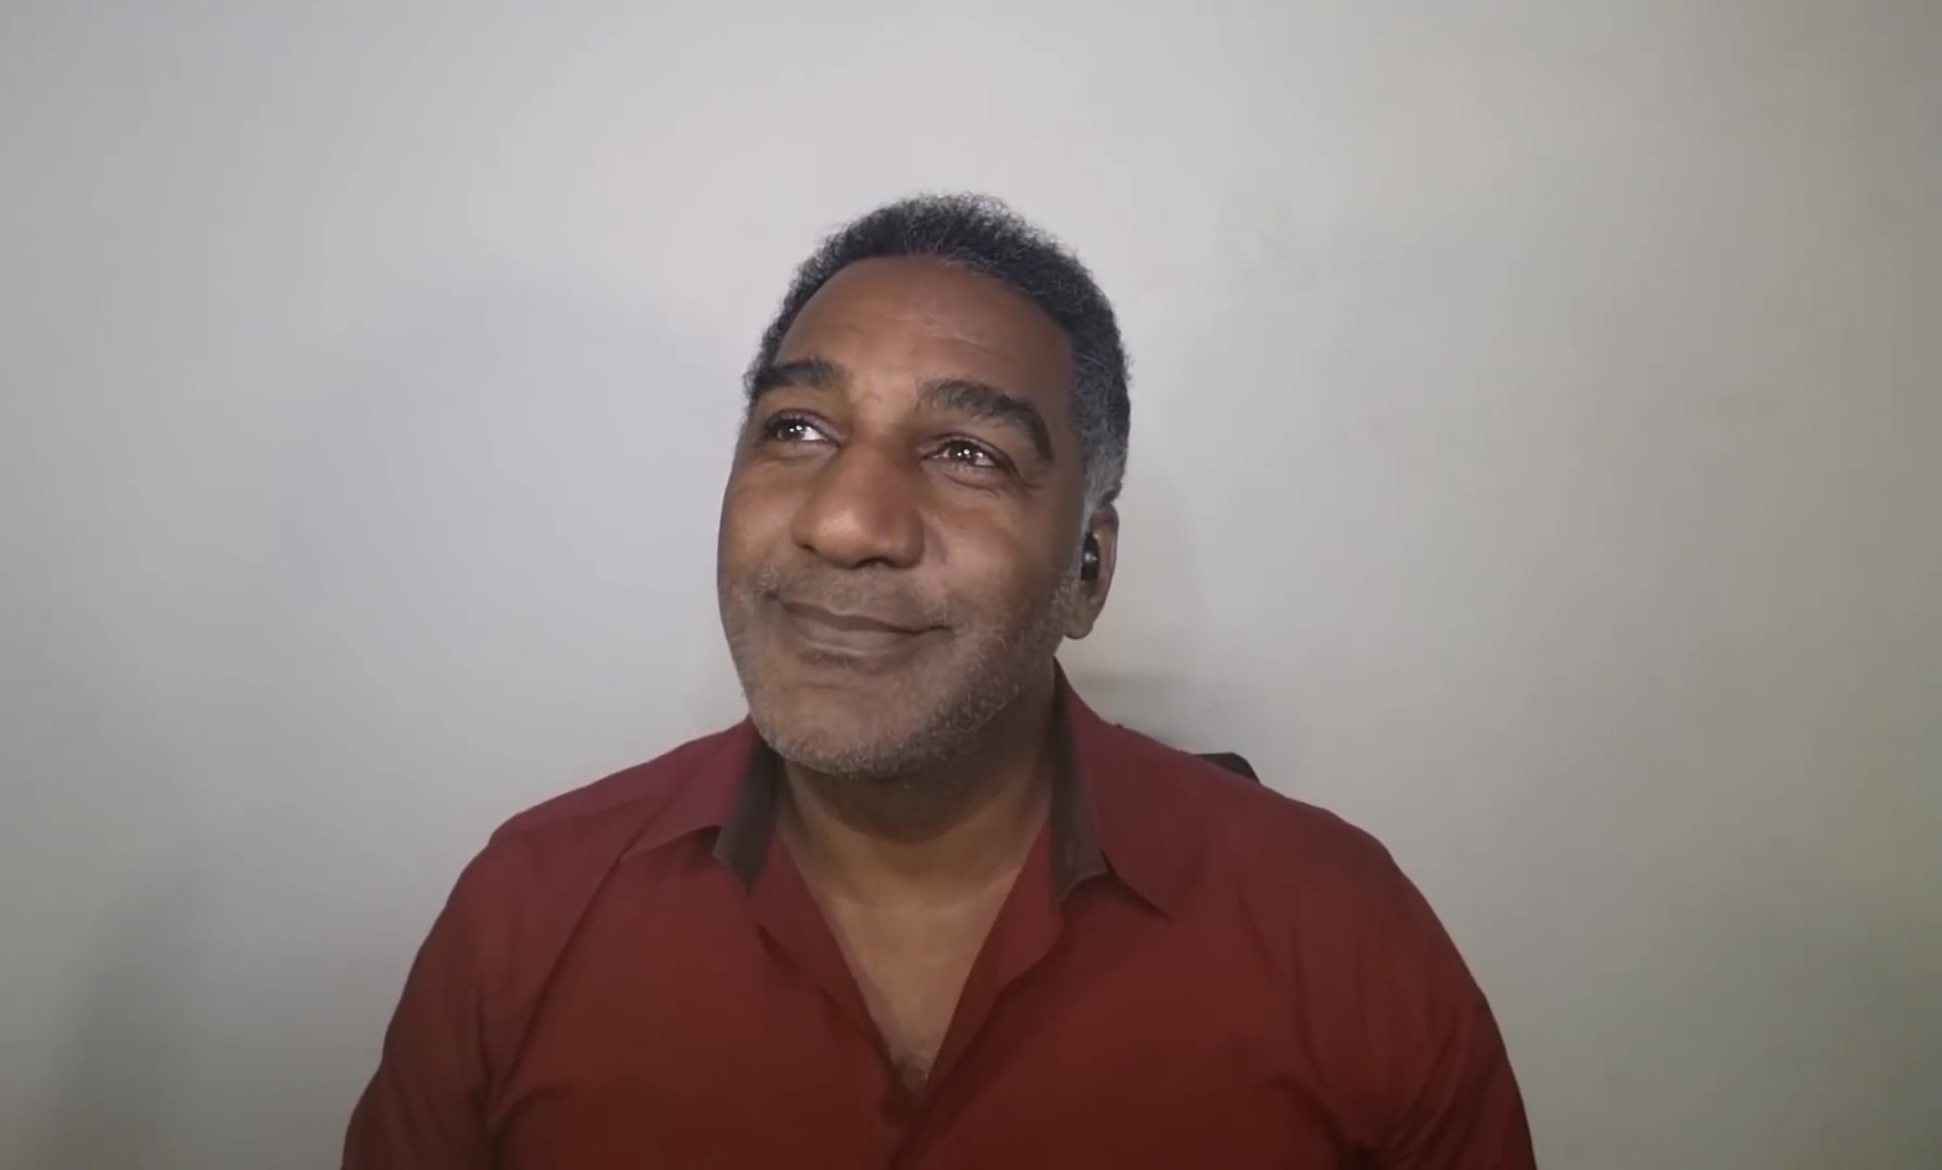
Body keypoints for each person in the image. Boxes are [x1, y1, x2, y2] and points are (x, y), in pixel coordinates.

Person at [344, 194, 1536, 1169]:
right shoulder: (528, 917)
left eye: (967, 453)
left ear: (1085, 572)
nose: (846, 521)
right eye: (798, 429)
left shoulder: (1335, 935)